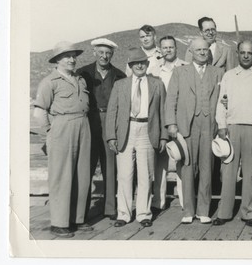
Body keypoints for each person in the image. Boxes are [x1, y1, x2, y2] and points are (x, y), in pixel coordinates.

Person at [213, 40, 252, 227]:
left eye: (249, 53)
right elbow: (221, 102)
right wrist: (222, 125)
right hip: (232, 128)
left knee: (250, 174)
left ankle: (248, 213)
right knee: (228, 172)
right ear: (238, 53)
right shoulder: (229, 76)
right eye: (243, 52)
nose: (246, 56)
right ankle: (224, 212)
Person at [33, 41, 93, 238]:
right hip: (62, 128)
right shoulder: (49, 82)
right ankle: (59, 222)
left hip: (83, 125)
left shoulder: (80, 80)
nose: (71, 59)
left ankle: (78, 218)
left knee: (81, 174)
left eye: (73, 56)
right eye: (66, 56)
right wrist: (51, 132)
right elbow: (40, 112)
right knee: (61, 175)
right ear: (57, 60)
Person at [105, 47, 168, 228]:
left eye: (142, 62)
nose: (139, 65)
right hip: (126, 130)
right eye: (135, 63)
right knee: (124, 175)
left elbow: (163, 112)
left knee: (146, 175)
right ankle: (124, 214)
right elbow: (112, 112)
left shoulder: (157, 84)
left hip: (148, 130)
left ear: (147, 64)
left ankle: (143, 214)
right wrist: (111, 136)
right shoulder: (120, 85)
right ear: (130, 66)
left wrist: (163, 136)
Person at [165, 37, 223, 224]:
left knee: (207, 167)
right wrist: (171, 124)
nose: (202, 53)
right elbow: (171, 100)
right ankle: (188, 210)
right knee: (187, 167)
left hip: (209, 124)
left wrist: (222, 123)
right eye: (198, 50)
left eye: (205, 50)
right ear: (190, 52)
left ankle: (203, 210)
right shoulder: (180, 72)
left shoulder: (218, 72)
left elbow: (224, 100)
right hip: (186, 125)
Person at [76, 38, 126, 221]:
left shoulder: (119, 75)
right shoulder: (83, 73)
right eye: (101, 53)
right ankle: (82, 212)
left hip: (111, 122)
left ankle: (110, 209)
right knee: (86, 166)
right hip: (89, 121)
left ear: (112, 55)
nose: (104, 56)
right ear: (94, 53)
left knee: (110, 165)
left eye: (108, 53)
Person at [152, 36, 187, 212]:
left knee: (182, 158)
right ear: (160, 49)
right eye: (164, 48)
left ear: (176, 48)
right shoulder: (154, 70)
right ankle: (159, 202)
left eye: (171, 47)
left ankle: (184, 201)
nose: (168, 50)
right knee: (160, 162)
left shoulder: (185, 67)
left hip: (179, 119)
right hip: (159, 120)